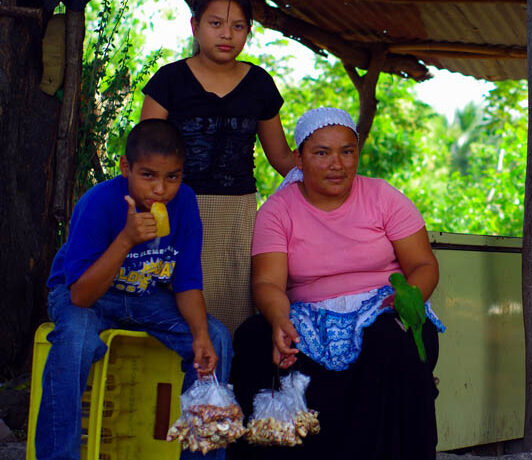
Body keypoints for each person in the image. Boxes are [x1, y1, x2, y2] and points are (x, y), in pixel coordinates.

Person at [228, 107, 445, 460]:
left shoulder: (383, 197)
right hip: (307, 315)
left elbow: (423, 265)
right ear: (299, 158)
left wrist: (405, 302)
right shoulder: (278, 209)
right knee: (253, 338)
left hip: (380, 308)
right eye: (322, 153)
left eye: (347, 152)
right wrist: (279, 319)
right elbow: (267, 282)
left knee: (390, 340)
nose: (337, 164)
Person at [36, 119, 232, 460]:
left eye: (172, 176)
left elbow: (186, 283)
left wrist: (200, 334)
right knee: (75, 338)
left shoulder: (185, 203)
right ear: (126, 167)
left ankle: (199, 455)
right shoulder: (99, 203)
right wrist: (126, 239)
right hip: (88, 295)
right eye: (148, 175)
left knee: (216, 338)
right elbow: (80, 295)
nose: (161, 189)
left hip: (144, 297)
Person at [140, 0, 296, 333]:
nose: (227, 34)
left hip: (238, 216)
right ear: (195, 26)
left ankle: (229, 367)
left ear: (248, 32)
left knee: (234, 313)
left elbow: (282, 158)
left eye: (238, 26)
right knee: (178, 310)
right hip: (176, 210)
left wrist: (330, 163)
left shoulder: (260, 84)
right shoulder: (169, 80)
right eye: (216, 24)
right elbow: (145, 157)